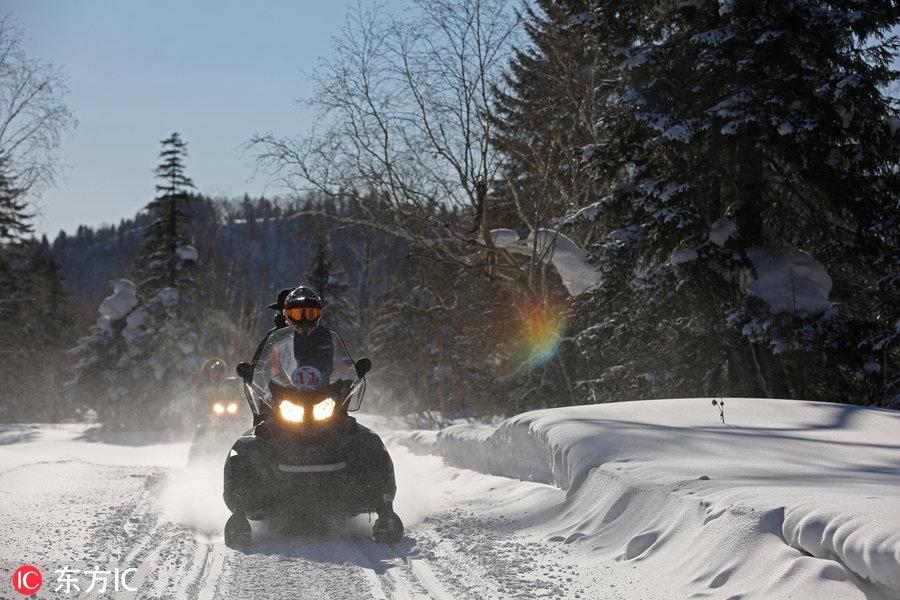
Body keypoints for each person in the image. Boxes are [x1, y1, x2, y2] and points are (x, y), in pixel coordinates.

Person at [237, 285, 402, 541]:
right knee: (248, 448)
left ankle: (383, 506)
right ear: (286, 313)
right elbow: (260, 370)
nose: (304, 318)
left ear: (320, 313)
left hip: (325, 402)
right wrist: (252, 376)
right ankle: (240, 509)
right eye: (298, 312)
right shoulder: (275, 341)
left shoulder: (328, 339)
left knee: (366, 442)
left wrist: (352, 374)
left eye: (310, 311)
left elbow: (343, 365)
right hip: (283, 403)